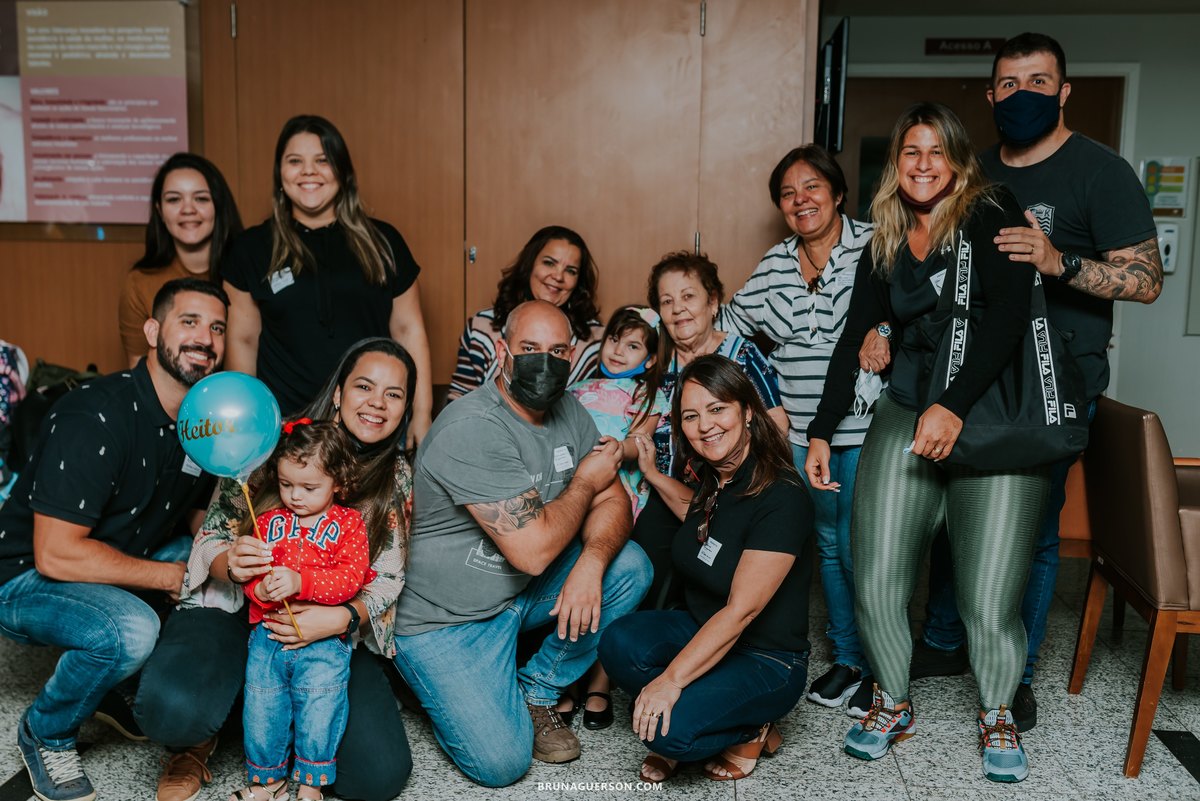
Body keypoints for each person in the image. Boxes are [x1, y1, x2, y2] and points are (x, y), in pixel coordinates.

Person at [912, 32, 1164, 733]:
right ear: (991, 94)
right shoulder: (974, 170)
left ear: (1064, 90)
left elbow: (1147, 280)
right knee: (946, 513)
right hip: (970, 375)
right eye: (1009, 83)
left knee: (1031, 529)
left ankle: (1014, 672)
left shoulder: (1099, 172)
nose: (1023, 94)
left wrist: (1062, 263)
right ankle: (943, 641)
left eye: (1039, 80)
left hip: (1054, 386)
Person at [805, 102, 1050, 783]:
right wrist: (822, 430)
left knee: (986, 598)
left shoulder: (989, 211)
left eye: (936, 151)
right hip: (906, 410)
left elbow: (1007, 319)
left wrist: (953, 404)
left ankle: (997, 709)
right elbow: (856, 333)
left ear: (959, 161)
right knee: (876, 574)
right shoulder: (883, 239)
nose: (922, 163)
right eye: (910, 151)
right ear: (895, 166)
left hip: (989, 422)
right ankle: (892, 697)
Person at [136, 338, 417, 801]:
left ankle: (272, 717)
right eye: (365, 386)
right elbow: (211, 536)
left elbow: (388, 576)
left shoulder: (397, 474)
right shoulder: (273, 440)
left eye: (394, 394)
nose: (377, 403)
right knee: (173, 711)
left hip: (330, 627)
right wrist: (234, 565)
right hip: (243, 611)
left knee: (377, 776)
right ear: (339, 390)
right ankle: (210, 729)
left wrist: (342, 618)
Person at [392, 299, 652, 787]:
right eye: (529, 348)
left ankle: (537, 689)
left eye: (557, 350)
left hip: (518, 592)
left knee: (629, 566)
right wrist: (583, 483)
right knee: (501, 764)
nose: (544, 361)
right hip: (445, 622)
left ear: (575, 355)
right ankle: (420, 681)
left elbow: (613, 497)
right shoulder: (473, 426)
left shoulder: (569, 411)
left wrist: (592, 563)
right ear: (502, 350)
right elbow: (533, 549)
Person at [0, 277, 227, 801]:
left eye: (216, 327)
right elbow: (54, 554)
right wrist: (172, 575)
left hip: (122, 551)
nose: (205, 338)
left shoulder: (197, 423)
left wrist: (214, 545)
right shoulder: (94, 417)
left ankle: (108, 686)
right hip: (23, 576)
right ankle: (47, 731)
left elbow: (190, 507)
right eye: (188, 321)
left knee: (213, 575)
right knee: (131, 630)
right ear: (153, 331)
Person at [599, 354, 813, 783]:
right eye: (691, 416)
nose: (705, 426)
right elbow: (700, 515)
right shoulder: (720, 477)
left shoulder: (783, 496)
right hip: (702, 628)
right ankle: (706, 703)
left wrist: (671, 682)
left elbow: (741, 612)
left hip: (767, 658)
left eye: (717, 409)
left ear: (747, 411)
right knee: (618, 642)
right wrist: (652, 475)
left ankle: (753, 726)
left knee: (668, 734)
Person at [719, 144, 878, 716]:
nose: (800, 200)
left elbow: (911, 310)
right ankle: (849, 660)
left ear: (837, 193)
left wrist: (883, 327)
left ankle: (882, 667)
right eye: (787, 193)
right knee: (831, 545)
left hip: (865, 426)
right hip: (800, 433)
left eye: (811, 187)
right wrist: (766, 403)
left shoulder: (873, 245)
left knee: (869, 548)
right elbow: (730, 331)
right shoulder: (776, 264)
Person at [223, 115, 433, 445]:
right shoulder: (251, 249)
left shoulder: (384, 242)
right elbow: (244, 340)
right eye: (295, 161)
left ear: (344, 173)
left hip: (369, 425)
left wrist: (421, 413)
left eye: (323, 160)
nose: (309, 171)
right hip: (285, 430)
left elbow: (409, 330)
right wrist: (247, 423)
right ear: (280, 173)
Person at [633, 251, 786, 610]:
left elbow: (776, 421)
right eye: (667, 301)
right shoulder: (656, 362)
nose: (678, 309)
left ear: (713, 302)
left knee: (716, 578)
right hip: (666, 486)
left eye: (688, 296)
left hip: (730, 489)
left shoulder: (741, 353)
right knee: (648, 557)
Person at [230, 420, 373, 801]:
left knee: (319, 707)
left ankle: (311, 783)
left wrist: (301, 582)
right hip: (268, 637)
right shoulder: (267, 522)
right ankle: (267, 780)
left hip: (323, 643)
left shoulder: (349, 523)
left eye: (310, 488)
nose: (295, 496)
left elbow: (351, 578)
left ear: (338, 482)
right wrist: (258, 590)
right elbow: (252, 577)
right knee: (262, 709)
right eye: (286, 484)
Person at [562, 304, 670, 730]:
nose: (619, 351)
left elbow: (641, 443)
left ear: (651, 357)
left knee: (614, 588)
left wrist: (614, 449)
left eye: (633, 345)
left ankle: (600, 684)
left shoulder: (650, 396)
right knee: (572, 581)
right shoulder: (578, 388)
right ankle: (568, 678)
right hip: (575, 494)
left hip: (620, 498)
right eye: (613, 340)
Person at [448, 225, 604, 401]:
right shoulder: (481, 327)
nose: (558, 276)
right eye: (549, 263)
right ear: (530, 265)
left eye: (570, 271)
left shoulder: (596, 341)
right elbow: (459, 397)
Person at [119, 153, 243, 367]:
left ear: (218, 205)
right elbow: (138, 371)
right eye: (174, 199)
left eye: (201, 198)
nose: (188, 209)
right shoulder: (140, 282)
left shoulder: (247, 271)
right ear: (159, 210)